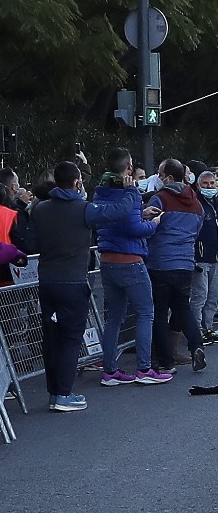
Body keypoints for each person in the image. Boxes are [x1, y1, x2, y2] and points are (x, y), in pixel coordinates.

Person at [26, 161, 139, 409]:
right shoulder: (84, 210)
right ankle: (64, 395)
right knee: (70, 339)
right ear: (77, 183)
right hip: (73, 282)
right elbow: (120, 210)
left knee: (52, 339)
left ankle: (54, 392)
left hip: (46, 282)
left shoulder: (40, 209)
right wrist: (131, 189)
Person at [92, 148, 171, 386]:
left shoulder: (100, 193)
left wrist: (141, 213)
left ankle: (110, 370)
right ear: (128, 168)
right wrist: (154, 223)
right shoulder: (131, 194)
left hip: (107, 259)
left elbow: (120, 219)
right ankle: (144, 368)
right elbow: (134, 229)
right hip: (130, 259)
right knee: (146, 312)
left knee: (113, 318)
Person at [147, 159, 209, 373]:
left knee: (159, 313)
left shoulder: (159, 199)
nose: (158, 177)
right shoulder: (196, 203)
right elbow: (198, 228)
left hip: (160, 262)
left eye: (160, 173)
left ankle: (166, 361)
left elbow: (147, 227)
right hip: (185, 263)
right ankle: (196, 346)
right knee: (183, 308)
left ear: (169, 178)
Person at [191, 170, 218, 345]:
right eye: (205, 183)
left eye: (212, 183)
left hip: (215, 257)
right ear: (199, 185)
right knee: (200, 296)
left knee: (213, 296)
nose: (209, 186)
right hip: (200, 257)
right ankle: (196, 332)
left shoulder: (217, 202)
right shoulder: (196, 204)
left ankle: (208, 328)